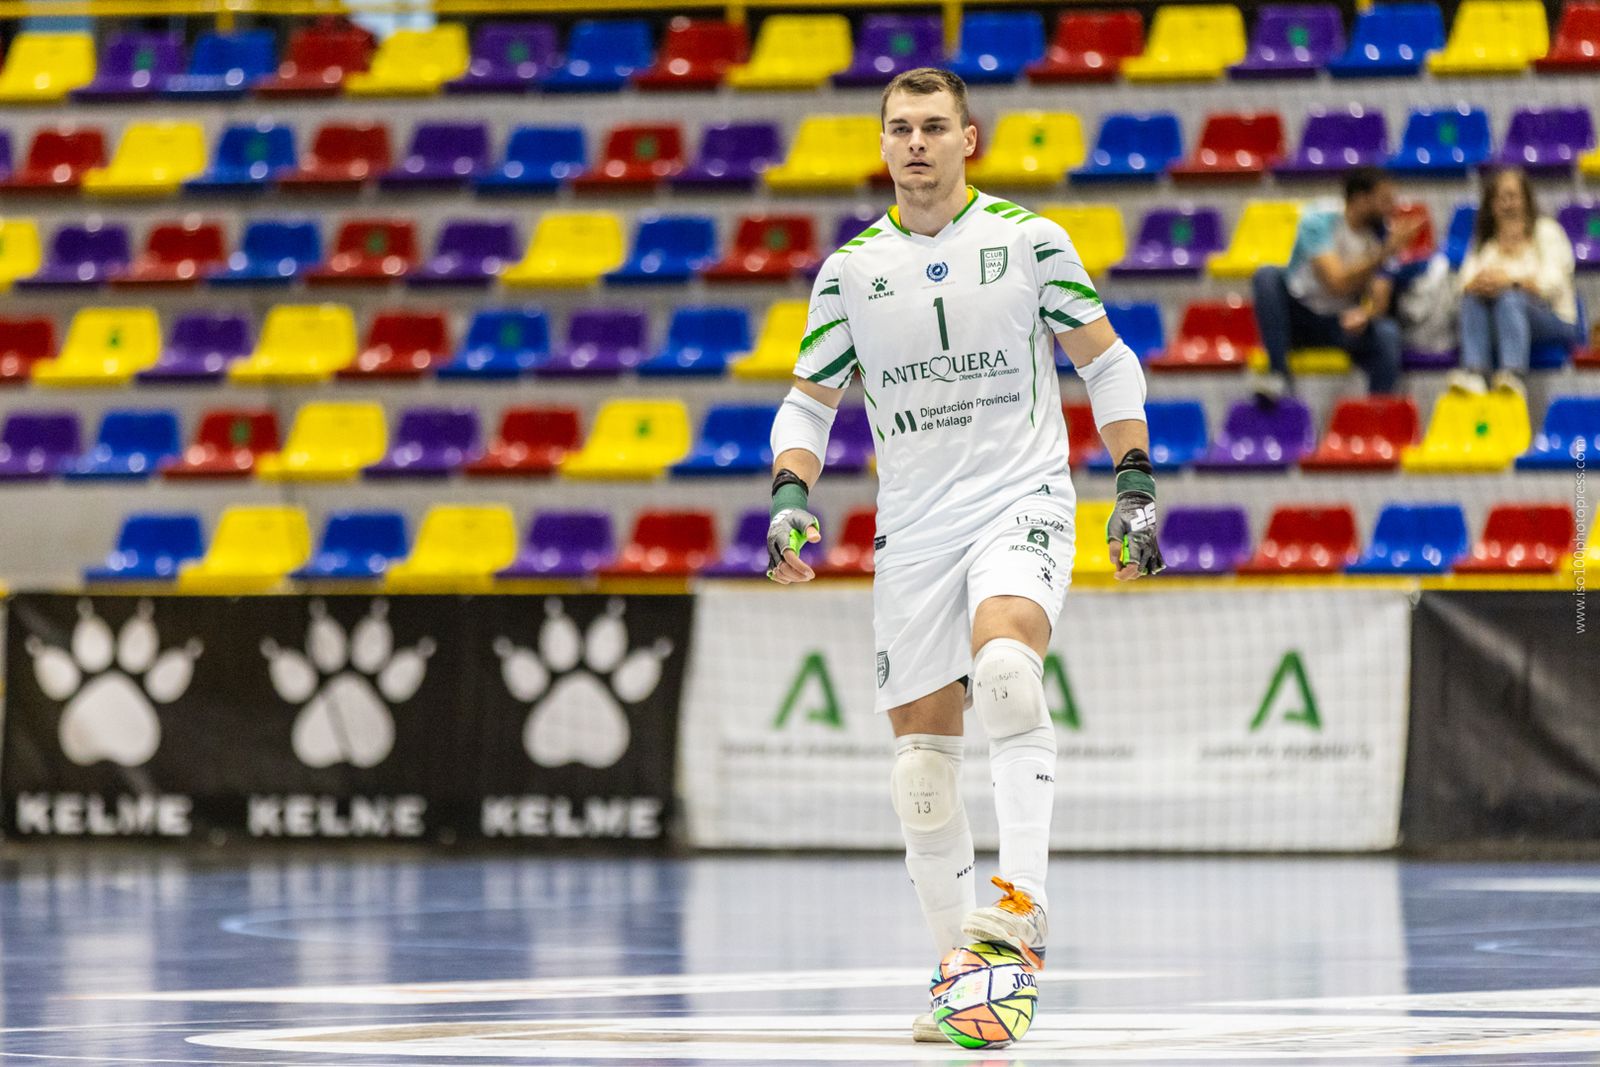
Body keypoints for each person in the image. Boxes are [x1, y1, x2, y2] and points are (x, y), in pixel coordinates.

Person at [761, 67, 1164, 1044]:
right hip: (913, 529)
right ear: (882, 142)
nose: (916, 143)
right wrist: (788, 497)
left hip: (1020, 496)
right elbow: (809, 403)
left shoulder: (1030, 241)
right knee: (920, 775)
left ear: (968, 139)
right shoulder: (849, 271)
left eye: (934, 126)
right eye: (900, 127)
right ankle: (966, 983)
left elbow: (1106, 360)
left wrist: (1134, 480)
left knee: (1007, 671)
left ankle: (1020, 902)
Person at [1251, 167, 1423, 399]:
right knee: (1267, 276)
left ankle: (1377, 411)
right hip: (1299, 317)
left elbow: (1380, 298)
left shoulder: (1383, 234)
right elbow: (1336, 282)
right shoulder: (1319, 220)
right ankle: (1277, 375)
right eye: (1384, 200)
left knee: (1387, 333)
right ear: (1361, 199)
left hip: (1340, 322)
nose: (1392, 207)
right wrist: (1384, 253)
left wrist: (1366, 314)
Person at [1453, 166, 1580, 395]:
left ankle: (1512, 377)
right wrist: (1477, 284)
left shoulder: (1547, 231)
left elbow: (1553, 283)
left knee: (1509, 298)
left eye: (1513, 196)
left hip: (1554, 319)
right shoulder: (1486, 243)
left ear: (1526, 201)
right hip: (1498, 320)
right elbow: (1463, 282)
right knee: (1472, 299)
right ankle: (1475, 375)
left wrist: (1510, 282)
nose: (1507, 204)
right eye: (1500, 199)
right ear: (1491, 206)